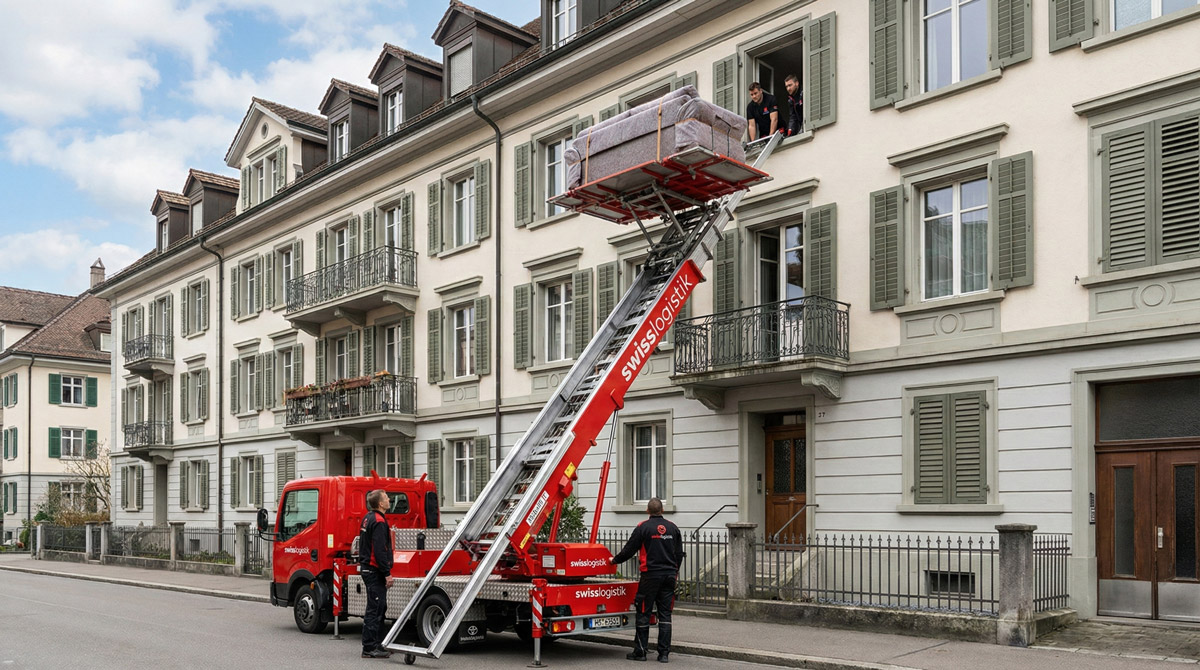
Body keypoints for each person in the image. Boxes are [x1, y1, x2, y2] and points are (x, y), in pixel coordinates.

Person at [609, 497, 684, 663]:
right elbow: (679, 554)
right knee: (665, 615)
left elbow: (629, 550)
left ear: (647, 511)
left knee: (643, 611)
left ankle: (641, 652)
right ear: (662, 510)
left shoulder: (643, 527)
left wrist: (615, 560)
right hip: (669, 576)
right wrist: (674, 571)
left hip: (650, 576)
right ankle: (664, 654)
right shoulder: (673, 528)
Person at [359, 489, 394, 659]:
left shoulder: (368, 518)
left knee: (380, 607)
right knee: (375, 609)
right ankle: (369, 648)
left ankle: (378, 644)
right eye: (386, 498)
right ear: (380, 503)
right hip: (374, 570)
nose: (389, 500)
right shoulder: (379, 521)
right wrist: (387, 573)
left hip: (369, 568)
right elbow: (380, 550)